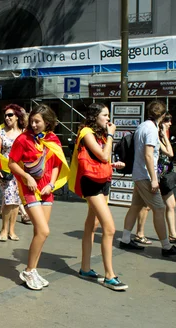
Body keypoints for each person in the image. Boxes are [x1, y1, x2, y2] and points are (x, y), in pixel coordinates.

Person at [8, 105, 70, 290]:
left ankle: (32, 270)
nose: (33, 124)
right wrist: (26, 177)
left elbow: (57, 164)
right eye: (32, 121)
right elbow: (12, 163)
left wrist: (51, 184)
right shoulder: (23, 139)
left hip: (46, 191)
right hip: (29, 190)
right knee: (44, 231)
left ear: (48, 122)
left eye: (38, 121)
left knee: (39, 234)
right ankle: (28, 270)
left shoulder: (53, 139)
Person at [69, 104, 128, 291]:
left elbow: (103, 158)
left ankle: (85, 268)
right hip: (91, 183)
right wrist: (111, 135)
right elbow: (102, 155)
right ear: (95, 117)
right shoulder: (86, 132)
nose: (108, 119)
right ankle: (110, 275)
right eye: (105, 115)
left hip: (102, 179)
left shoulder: (99, 134)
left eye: (108, 115)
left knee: (91, 225)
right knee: (109, 228)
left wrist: (113, 163)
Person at [118, 100, 176, 257]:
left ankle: (125, 239)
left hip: (138, 173)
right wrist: (154, 179)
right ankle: (166, 246)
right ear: (163, 115)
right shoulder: (152, 129)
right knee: (159, 208)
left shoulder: (142, 126)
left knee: (135, 206)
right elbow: (148, 154)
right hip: (145, 175)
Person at [133, 113, 176, 245]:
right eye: (167, 121)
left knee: (171, 204)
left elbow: (171, 153)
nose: (170, 124)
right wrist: (153, 179)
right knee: (145, 206)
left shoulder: (161, 136)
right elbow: (151, 154)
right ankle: (140, 233)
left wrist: (164, 136)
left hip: (164, 176)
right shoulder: (152, 134)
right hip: (152, 175)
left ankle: (173, 234)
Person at [0, 104, 25, 241]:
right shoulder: (0, 132)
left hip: (20, 170)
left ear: (17, 116)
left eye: (10, 115)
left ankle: (12, 230)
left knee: (16, 200)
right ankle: (4, 229)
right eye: (6, 115)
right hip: (5, 170)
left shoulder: (24, 132)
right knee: (8, 198)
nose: (7, 118)